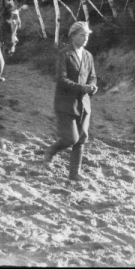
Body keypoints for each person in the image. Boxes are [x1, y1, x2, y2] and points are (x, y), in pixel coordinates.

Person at [43, 21, 98, 181]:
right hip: (66, 103)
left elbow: (92, 76)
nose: (85, 38)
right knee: (70, 138)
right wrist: (82, 87)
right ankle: (50, 152)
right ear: (73, 36)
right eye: (82, 35)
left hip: (84, 103)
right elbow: (61, 79)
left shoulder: (88, 56)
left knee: (81, 139)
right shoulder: (64, 54)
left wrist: (93, 86)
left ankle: (74, 174)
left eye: (87, 35)